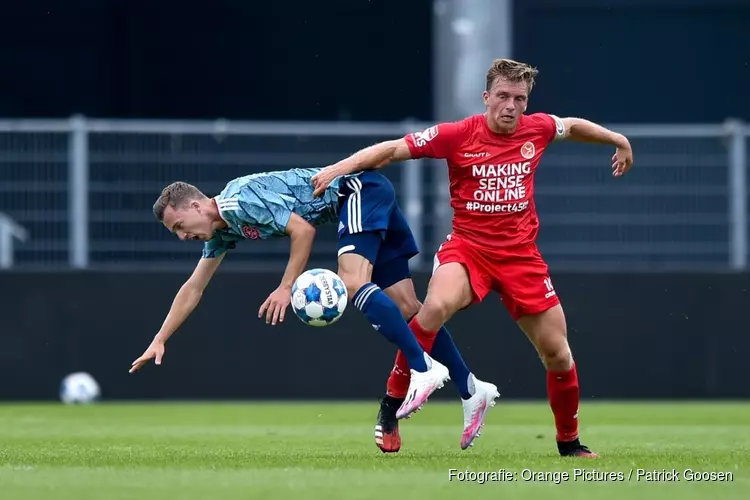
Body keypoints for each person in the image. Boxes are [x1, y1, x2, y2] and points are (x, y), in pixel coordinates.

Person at [311, 58, 635, 458]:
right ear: (486, 98)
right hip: (469, 249)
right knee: (434, 307)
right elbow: (393, 150)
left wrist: (618, 139)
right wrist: (336, 169)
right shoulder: (458, 134)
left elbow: (573, 125)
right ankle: (390, 406)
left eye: (520, 98)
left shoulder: (538, 128)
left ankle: (569, 443)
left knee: (558, 353)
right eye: (503, 96)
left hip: (522, 258)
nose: (511, 106)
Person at [128, 168, 500, 450]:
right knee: (407, 307)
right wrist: (160, 338)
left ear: (195, 206)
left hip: (357, 191)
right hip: (368, 197)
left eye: (179, 225)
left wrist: (286, 287)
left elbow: (302, 231)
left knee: (352, 282)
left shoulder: (237, 201)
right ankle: (471, 388)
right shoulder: (224, 230)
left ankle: (422, 368)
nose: (182, 236)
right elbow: (194, 286)